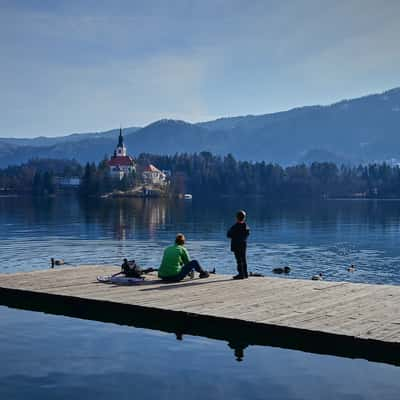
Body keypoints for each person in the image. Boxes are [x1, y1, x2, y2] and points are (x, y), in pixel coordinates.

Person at [227, 210, 250, 279]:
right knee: (244, 259)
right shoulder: (246, 226)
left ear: (237, 218)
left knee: (239, 260)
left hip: (236, 245)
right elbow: (247, 234)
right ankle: (245, 274)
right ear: (244, 218)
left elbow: (228, 235)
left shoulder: (235, 226)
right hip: (243, 244)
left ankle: (241, 274)